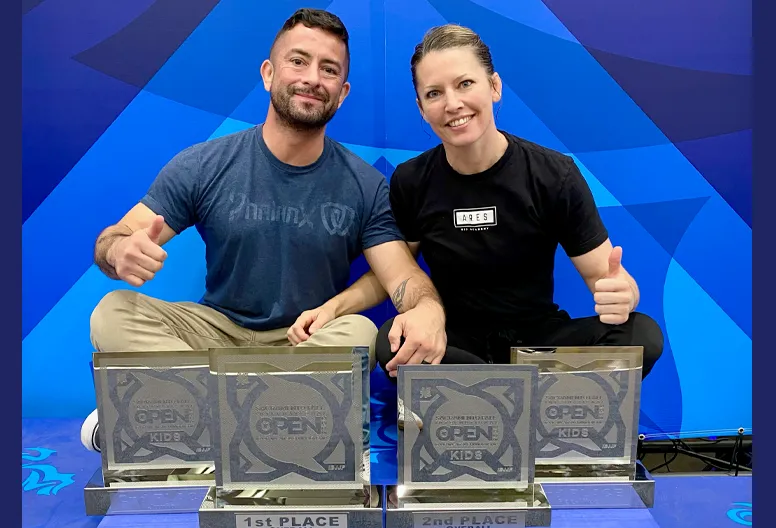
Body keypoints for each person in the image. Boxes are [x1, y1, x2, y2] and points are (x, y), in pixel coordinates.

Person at [79, 9, 448, 465]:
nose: (313, 78)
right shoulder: (205, 164)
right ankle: (275, 423)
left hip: (302, 343)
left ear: (343, 92)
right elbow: (115, 237)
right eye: (298, 61)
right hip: (215, 338)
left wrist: (428, 308)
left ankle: (173, 419)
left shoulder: (364, 185)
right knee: (112, 313)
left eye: (329, 69)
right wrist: (119, 248)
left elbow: (400, 277)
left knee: (359, 331)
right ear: (269, 73)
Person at [323, 24, 664, 428]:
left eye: (465, 83)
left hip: (538, 345)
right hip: (455, 344)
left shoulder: (554, 175)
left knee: (642, 334)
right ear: (421, 107)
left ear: (494, 87)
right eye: (434, 93)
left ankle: (482, 413)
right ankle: (526, 413)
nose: (453, 104)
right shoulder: (412, 182)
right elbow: (392, 276)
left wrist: (624, 294)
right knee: (391, 341)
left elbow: (607, 278)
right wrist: (333, 307)